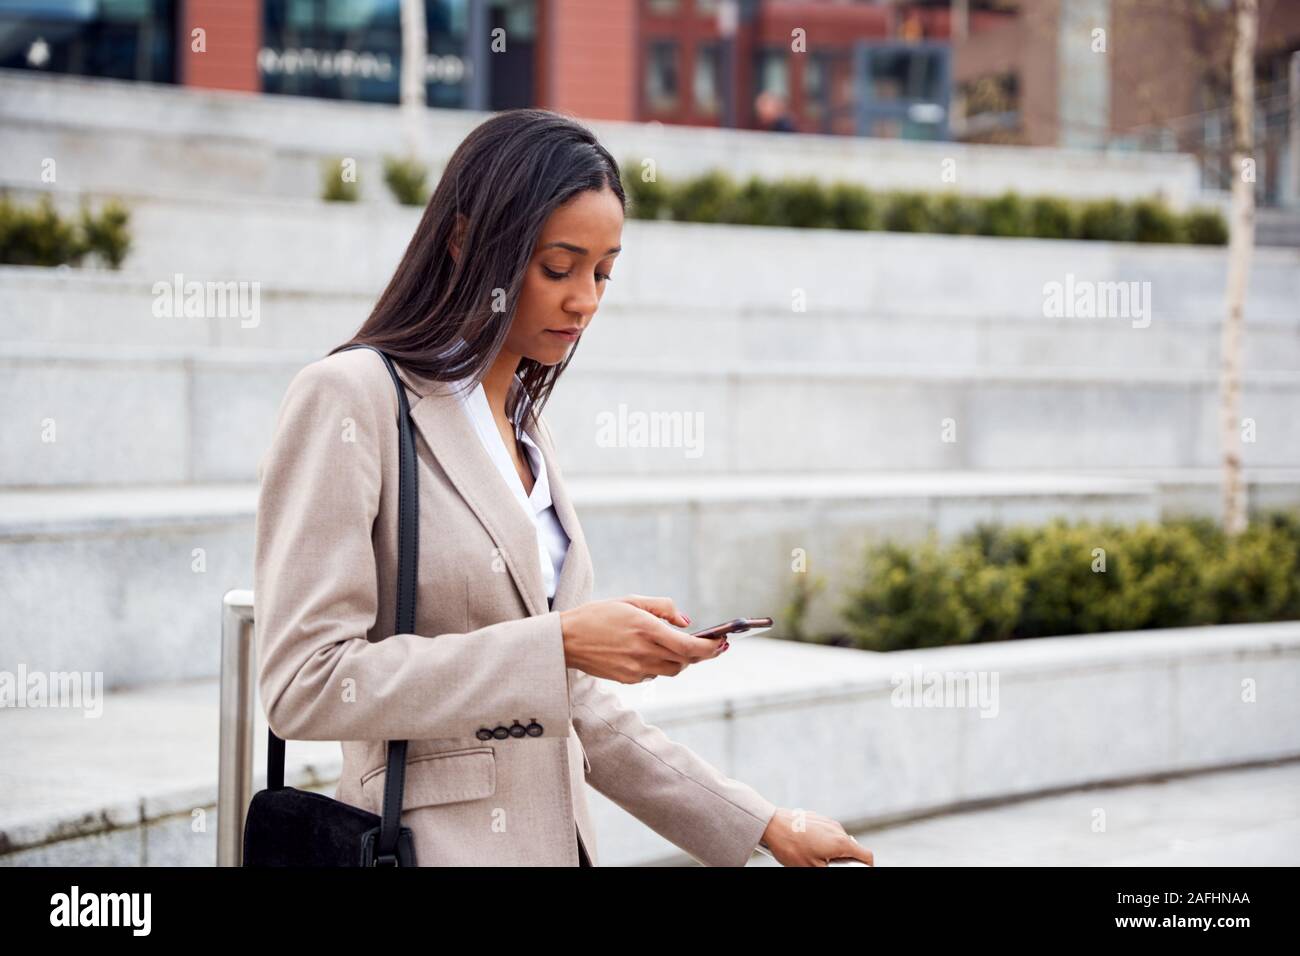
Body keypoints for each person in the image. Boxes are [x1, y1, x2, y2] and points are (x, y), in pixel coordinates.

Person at [253, 107, 872, 867]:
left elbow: (570, 701)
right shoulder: (351, 398)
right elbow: (305, 683)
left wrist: (761, 824)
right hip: (424, 851)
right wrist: (560, 642)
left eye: (603, 272)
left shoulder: (521, 428)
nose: (585, 299)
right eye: (558, 267)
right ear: (463, 242)